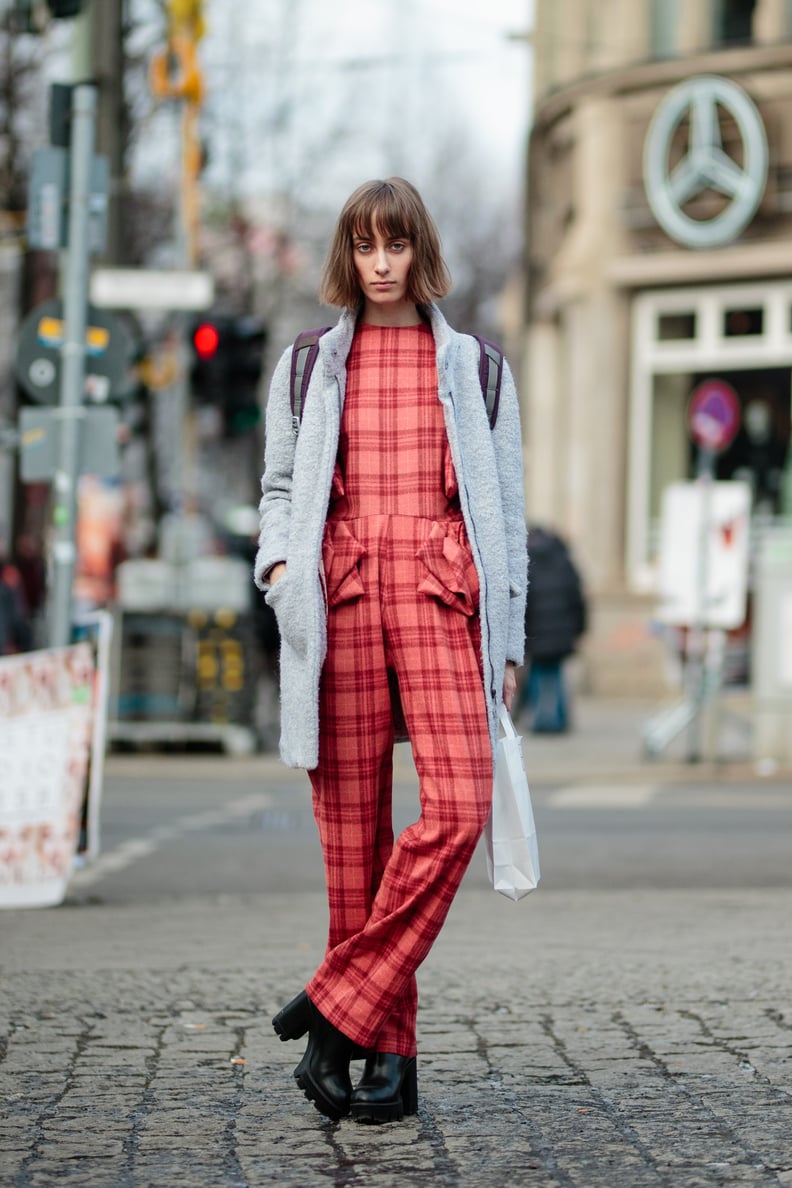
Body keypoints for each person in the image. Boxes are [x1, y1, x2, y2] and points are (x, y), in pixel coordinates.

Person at [254, 178, 526, 1124]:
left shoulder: (478, 368)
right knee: (353, 849)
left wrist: (511, 637)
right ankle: (381, 1058)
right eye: (364, 246)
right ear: (348, 254)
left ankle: (333, 1004)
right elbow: (280, 490)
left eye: (395, 246)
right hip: (341, 597)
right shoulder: (306, 366)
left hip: (445, 595)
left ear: (420, 253)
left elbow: (508, 516)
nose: (380, 265)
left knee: (460, 803)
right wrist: (284, 574)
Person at [518, 524, 586, 733]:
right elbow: (578, 600)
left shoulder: (527, 562)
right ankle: (559, 719)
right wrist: (579, 629)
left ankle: (541, 719)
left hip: (537, 634)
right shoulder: (564, 561)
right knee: (556, 674)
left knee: (538, 674)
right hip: (561, 634)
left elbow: (524, 603)